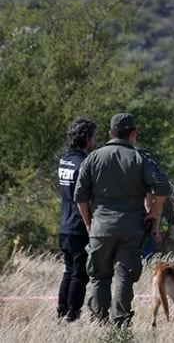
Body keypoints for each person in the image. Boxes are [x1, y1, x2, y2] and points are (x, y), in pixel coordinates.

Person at [74, 113, 171, 326]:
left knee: (99, 277)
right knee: (124, 277)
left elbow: (79, 196)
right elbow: (163, 187)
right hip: (131, 227)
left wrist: (89, 224)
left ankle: (99, 323)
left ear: (110, 133)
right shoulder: (139, 158)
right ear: (133, 134)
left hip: (100, 226)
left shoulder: (93, 158)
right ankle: (120, 324)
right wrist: (154, 211)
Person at [57, 116, 97, 322]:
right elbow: (85, 197)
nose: (95, 141)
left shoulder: (65, 160)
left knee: (68, 271)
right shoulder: (83, 164)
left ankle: (61, 310)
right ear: (87, 139)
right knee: (79, 274)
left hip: (64, 224)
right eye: (93, 137)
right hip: (78, 225)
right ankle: (72, 314)